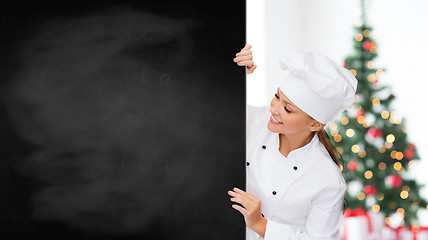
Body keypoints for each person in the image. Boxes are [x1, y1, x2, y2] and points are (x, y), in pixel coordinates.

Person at [228, 44, 358, 239]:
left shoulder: (327, 180)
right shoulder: (254, 120)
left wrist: (260, 224)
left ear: (315, 123)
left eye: (287, 109)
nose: (274, 109)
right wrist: (233, 73)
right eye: (276, 96)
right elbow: (207, 110)